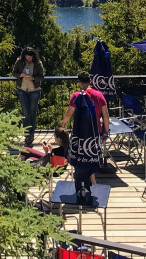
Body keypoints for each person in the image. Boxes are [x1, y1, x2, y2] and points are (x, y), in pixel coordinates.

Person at [61, 71, 109, 203]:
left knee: (81, 160)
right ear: (90, 81)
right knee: (90, 157)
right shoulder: (99, 95)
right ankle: (92, 184)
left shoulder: (76, 96)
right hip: (95, 134)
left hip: (80, 135)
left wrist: (63, 124)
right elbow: (105, 115)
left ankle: (83, 188)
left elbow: (69, 113)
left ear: (79, 82)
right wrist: (105, 131)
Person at [11, 47, 45, 146]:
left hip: (34, 90)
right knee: (25, 112)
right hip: (22, 89)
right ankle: (27, 134)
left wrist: (33, 78)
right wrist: (20, 75)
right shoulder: (20, 62)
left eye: (29, 57)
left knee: (32, 112)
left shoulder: (38, 63)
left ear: (33, 56)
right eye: (26, 56)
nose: (28, 58)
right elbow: (14, 73)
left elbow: (42, 77)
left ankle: (31, 132)